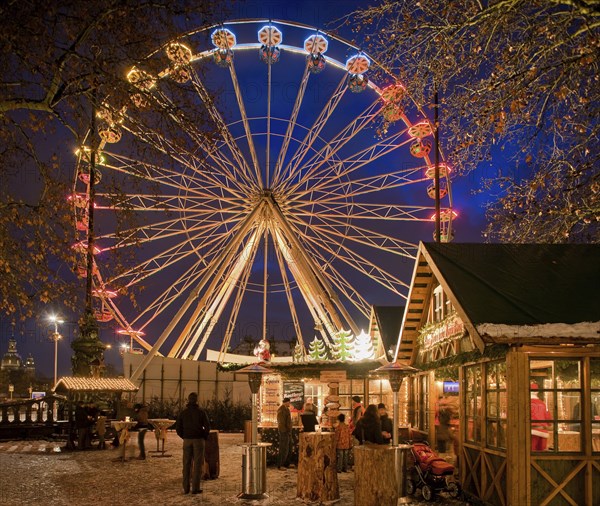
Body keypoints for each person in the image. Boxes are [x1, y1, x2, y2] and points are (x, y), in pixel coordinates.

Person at [176, 392, 211, 495]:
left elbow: (178, 428)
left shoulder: (183, 413)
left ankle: (185, 488)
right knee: (197, 464)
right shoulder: (201, 412)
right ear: (196, 400)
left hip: (187, 440)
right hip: (198, 440)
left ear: (188, 399)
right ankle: (195, 488)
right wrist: (203, 436)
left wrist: (184, 436)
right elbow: (207, 426)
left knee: (186, 464)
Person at [530, 384, 551, 451]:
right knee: (541, 452)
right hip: (543, 431)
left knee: (531, 452)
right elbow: (548, 417)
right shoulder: (542, 403)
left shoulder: (526, 402)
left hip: (531, 431)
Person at [277, 397, 293, 470]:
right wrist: (285, 431)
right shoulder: (281, 410)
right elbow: (281, 422)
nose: (290, 403)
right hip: (284, 432)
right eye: (289, 402)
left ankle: (287, 463)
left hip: (287, 431)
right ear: (286, 402)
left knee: (289, 448)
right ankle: (281, 465)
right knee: (283, 448)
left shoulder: (287, 409)